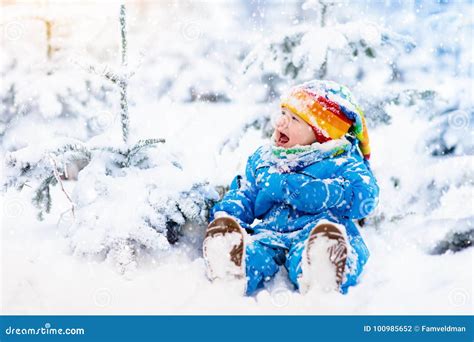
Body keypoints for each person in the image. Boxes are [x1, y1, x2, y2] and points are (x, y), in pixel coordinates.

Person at [203, 80, 379, 295]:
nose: (280, 122)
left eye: (294, 118)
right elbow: (245, 192)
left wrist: (313, 192)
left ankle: (323, 268)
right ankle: (233, 263)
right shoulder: (264, 160)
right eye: (283, 112)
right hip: (271, 233)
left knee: (319, 250)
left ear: (321, 132)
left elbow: (364, 197)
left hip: (317, 230)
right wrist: (228, 216)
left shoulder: (343, 161)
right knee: (257, 250)